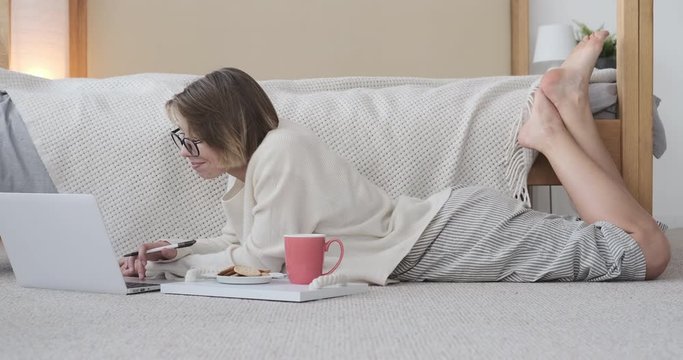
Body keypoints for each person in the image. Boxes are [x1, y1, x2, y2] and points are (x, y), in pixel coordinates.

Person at [120, 31, 670, 284]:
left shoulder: (279, 153)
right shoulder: (248, 178)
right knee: (631, 245)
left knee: (645, 254)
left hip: (442, 237)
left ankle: (550, 129)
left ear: (226, 129)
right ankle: (571, 106)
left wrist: (174, 267)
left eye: (191, 138)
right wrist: (174, 252)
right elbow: (242, 245)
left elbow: (261, 262)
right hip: (437, 234)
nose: (186, 153)